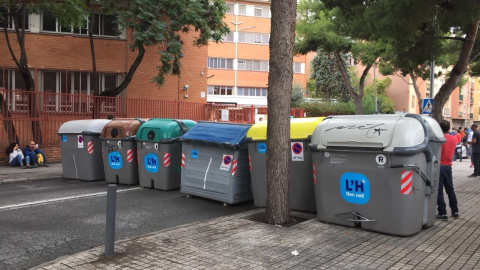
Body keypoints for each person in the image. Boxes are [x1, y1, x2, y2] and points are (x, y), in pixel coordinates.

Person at [436, 120, 459, 220]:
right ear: (449, 128)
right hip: (449, 166)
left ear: (439, 128)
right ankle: (455, 211)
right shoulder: (454, 139)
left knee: (439, 190)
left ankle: (442, 212)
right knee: (450, 189)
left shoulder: (440, 139)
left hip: (439, 166)